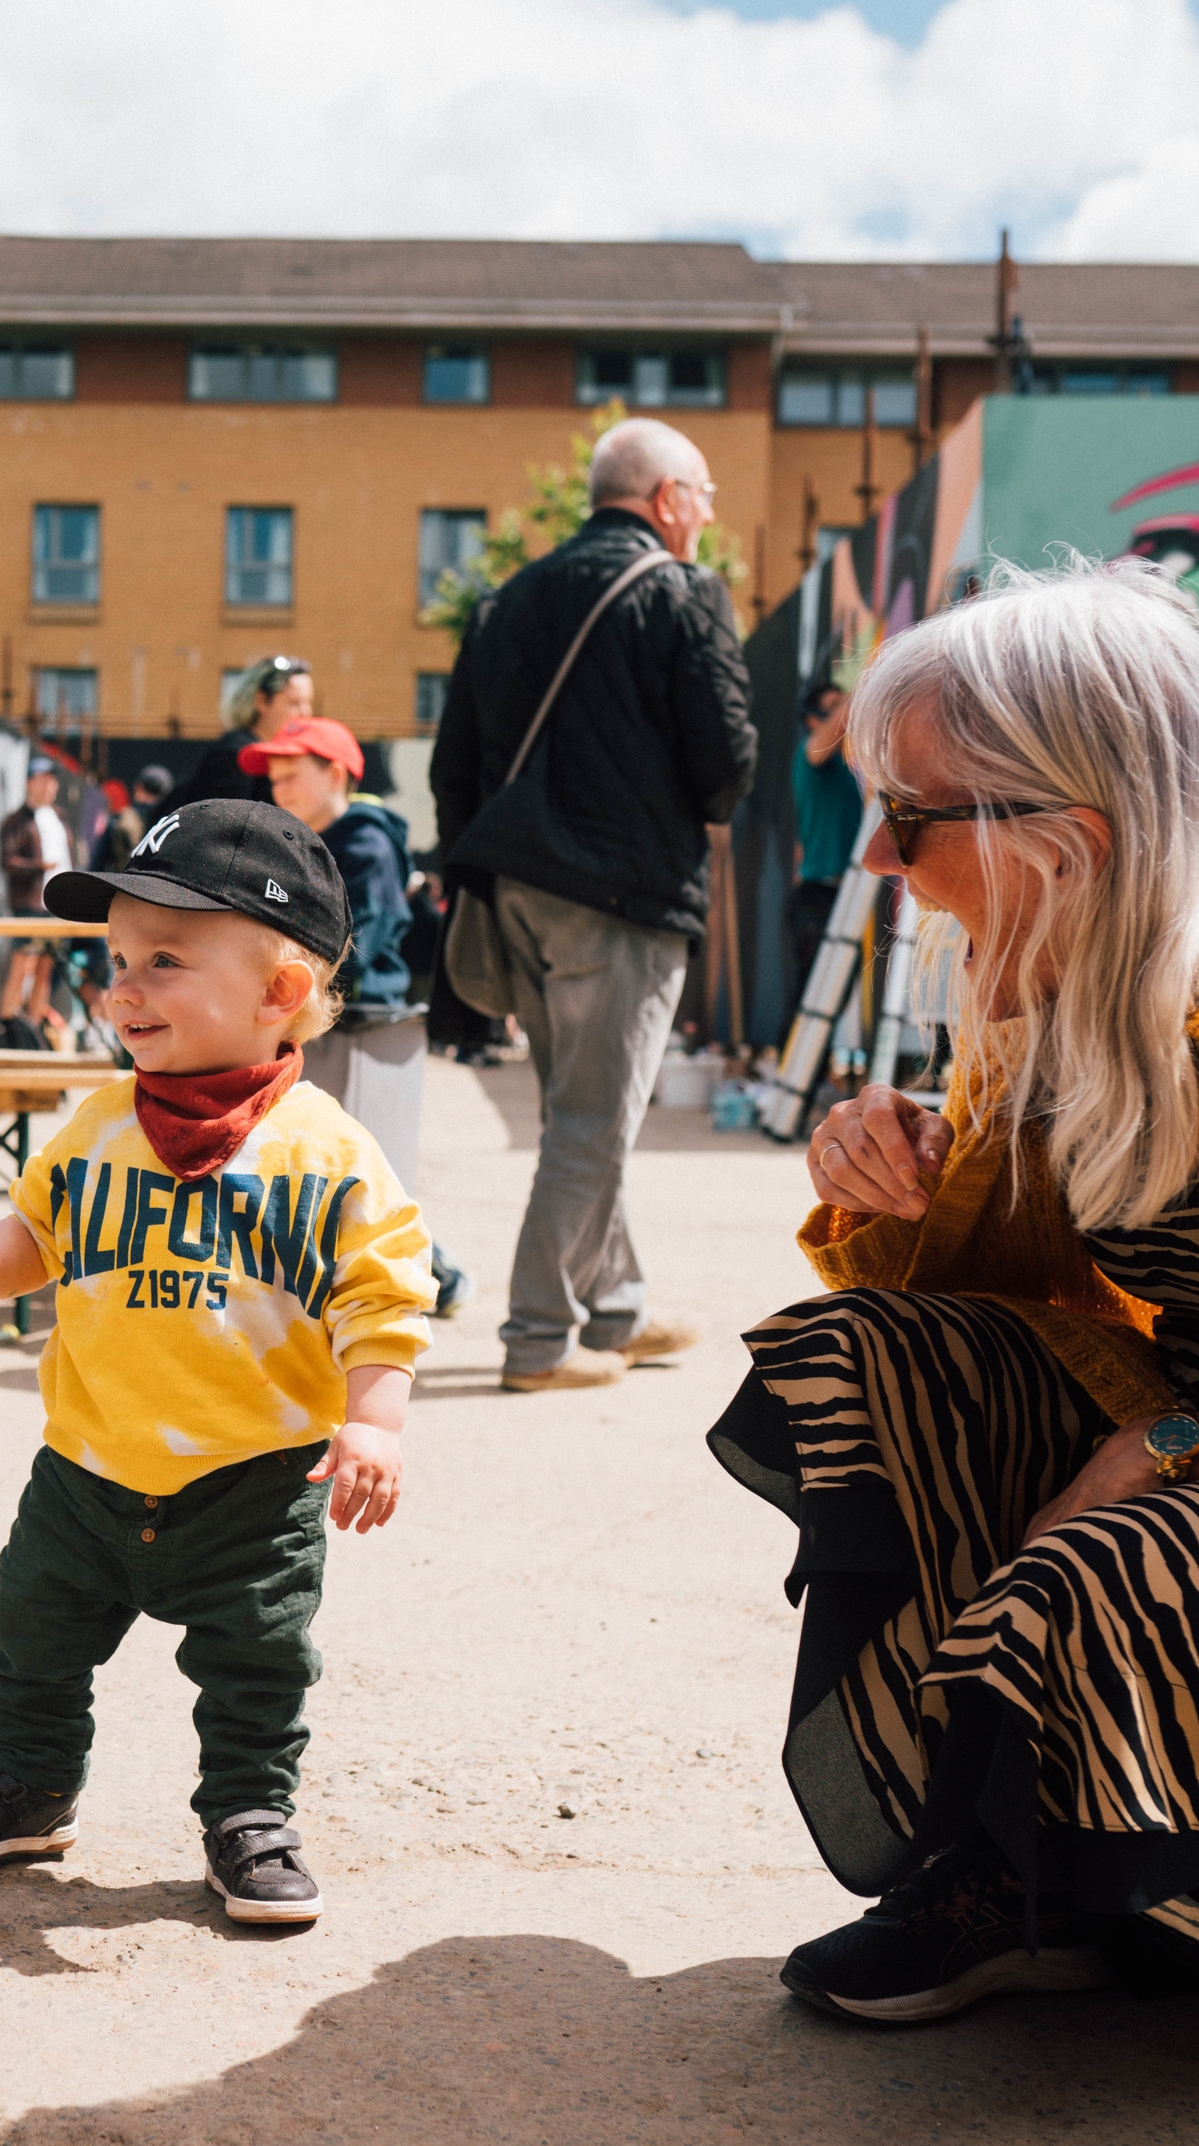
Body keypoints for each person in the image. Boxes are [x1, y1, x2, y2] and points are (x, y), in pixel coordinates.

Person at [709, 559, 1199, 2024]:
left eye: (910, 817)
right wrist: (890, 1175)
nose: (874, 859)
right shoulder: (1054, 991)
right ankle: (1023, 1877)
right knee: (871, 1360)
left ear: (1075, 841)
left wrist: (1163, 1450)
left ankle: (1134, 1892)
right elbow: (1002, 1295)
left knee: (1107, 1563)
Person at [0, 798, 434, 1924]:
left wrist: (374, 1420)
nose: (124, 988)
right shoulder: (100, 1121)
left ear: (281, 993)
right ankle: (34, 1782)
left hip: (257, 1479)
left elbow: (383, 1295)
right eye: (117, 961)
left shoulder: (328, 1150)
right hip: (88, 1464)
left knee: (258, 1664)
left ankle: (250, 1811)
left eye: (165, 961)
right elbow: (40, 1230)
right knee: (27, 1630)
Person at [430, 414, 757, 1392]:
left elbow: (455, 767)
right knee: (593, 1124)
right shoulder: (683, 591)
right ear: (666, 500)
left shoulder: (503, 602)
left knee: (575, 1112)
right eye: (700, 500)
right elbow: (728, 761)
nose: (703, 520)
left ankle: (617, 1312)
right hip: (622, 893)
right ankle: (537, 1340)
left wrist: (477, 871)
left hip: (514, 892)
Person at [245, 712, 471, 1316]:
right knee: (328, 1171)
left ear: (338, 773)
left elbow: (359, 947)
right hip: (321, 1017)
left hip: (363, 1020)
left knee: (353, 1170)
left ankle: (433, 1274)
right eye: (274, 775)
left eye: (293, 773)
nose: (279, 787)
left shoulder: (364, 842)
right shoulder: (301, 846)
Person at [787, 677, 864, 1007]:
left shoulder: (843, 770)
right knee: (812, 1000)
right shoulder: (810, 754)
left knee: (832, 998)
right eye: (831, 708)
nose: (842, 714)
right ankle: (789, 1060)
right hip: (818, 895)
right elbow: (846, 719)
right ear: (811, 719)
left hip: (837, 892)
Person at [172, 655, 314, 808]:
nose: (305, 712)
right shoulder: (232, 756)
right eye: (294, 703)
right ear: (262, 701)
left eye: (307, 702)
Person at [0, 755, 73, 1027]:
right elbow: (8, 862)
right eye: (42, 780)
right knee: (21, 966)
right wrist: (41, 866)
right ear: (30, 782)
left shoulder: (58, 817)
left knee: (45, 968)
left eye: (51, 781)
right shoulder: (17, 821)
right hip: (30, 904)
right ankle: (8, 1028)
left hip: (56, 906)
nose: (48, 786)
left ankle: (32, 1028)